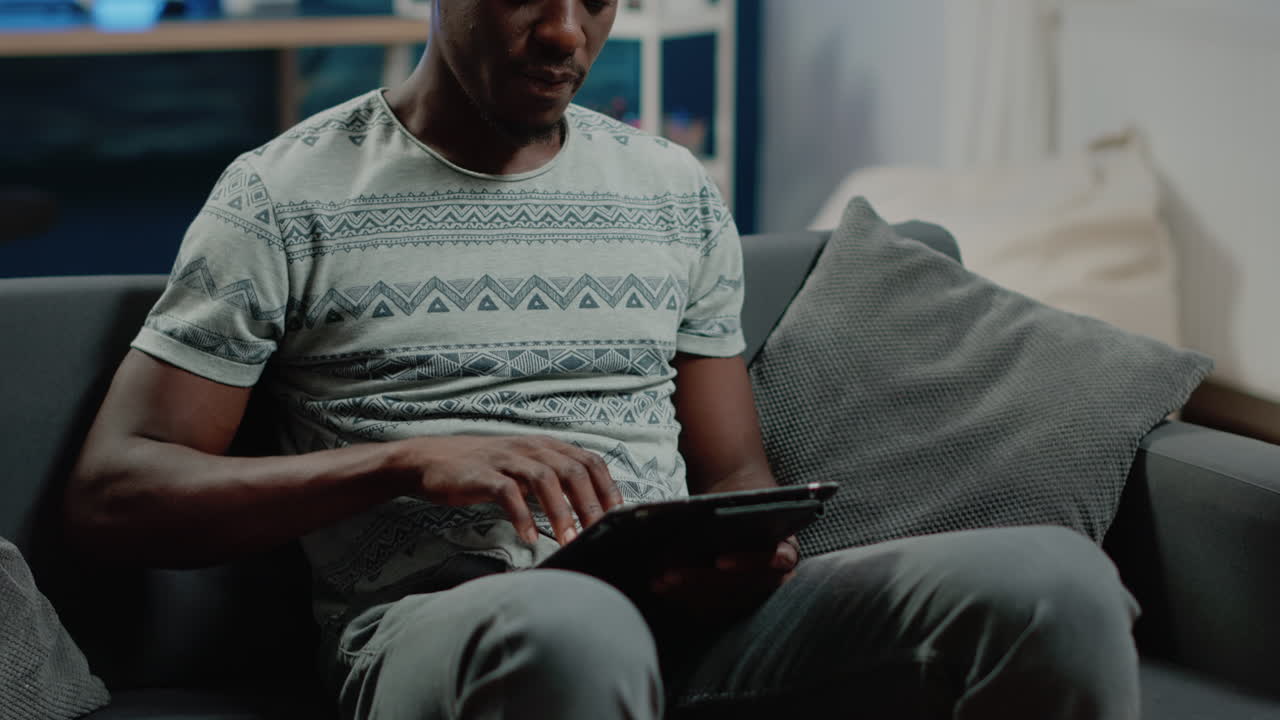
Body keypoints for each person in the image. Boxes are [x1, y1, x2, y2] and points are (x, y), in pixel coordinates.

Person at [66, 1, 1142, 717]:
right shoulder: (283, 196)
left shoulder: (670, 190)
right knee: (571, 623)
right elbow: (119, 494)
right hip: (438, 633)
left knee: (1053, 578)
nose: (564, 31)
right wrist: (404, 461)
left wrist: (739, 556)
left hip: (677, 624)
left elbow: (730, 475)